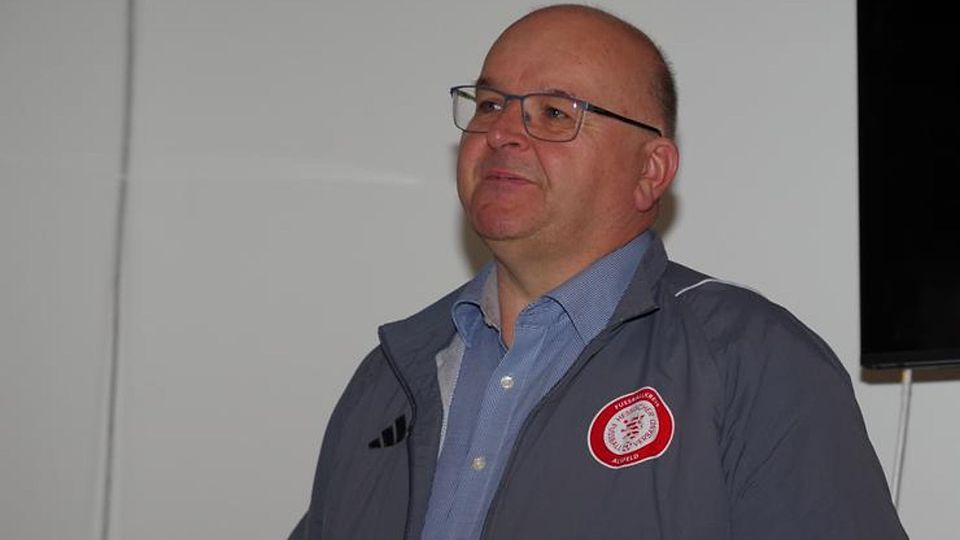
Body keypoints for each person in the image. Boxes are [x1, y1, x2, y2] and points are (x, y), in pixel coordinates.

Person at [289, 4, 908, 539]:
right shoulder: (391, 375)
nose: (502, 131)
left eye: (556, 113)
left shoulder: (753, 360)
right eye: (490, 104)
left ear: (650, 172)